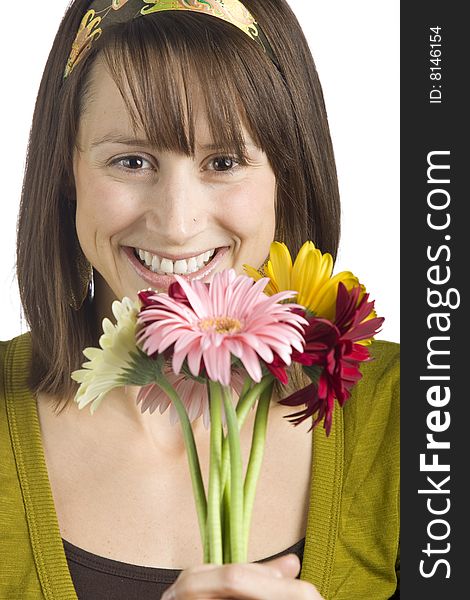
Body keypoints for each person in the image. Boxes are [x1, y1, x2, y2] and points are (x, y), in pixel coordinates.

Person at [0, 1, 399, 598]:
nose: (178, 224)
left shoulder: (414, 414)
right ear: (66, 171)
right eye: (131, 161)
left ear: (286, 176)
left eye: (224, 161)